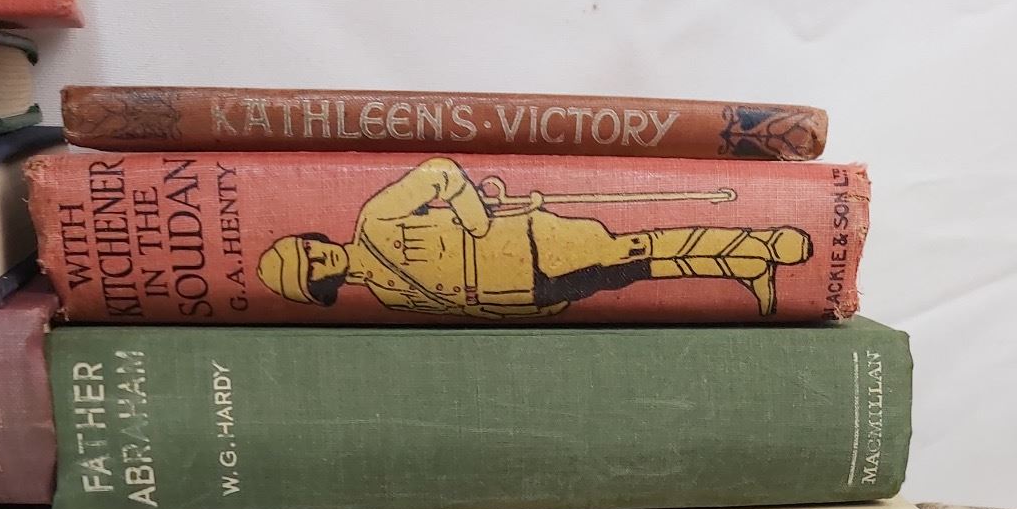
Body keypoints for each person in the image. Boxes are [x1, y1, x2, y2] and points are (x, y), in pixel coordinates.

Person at [257, 155, 811, 319]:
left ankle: (758, 242)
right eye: (311, 269)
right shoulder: (385, 295)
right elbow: (460, 309)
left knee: (632, 246)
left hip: (527, 242)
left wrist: (475, 215)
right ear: (319, 289)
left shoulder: (374, 222)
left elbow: (439, 173)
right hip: (526, 292)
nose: (318, 256)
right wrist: (528, 311)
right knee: (634, 272)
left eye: (309, 249)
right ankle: (741, 267)